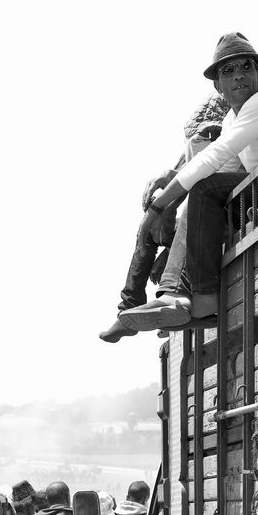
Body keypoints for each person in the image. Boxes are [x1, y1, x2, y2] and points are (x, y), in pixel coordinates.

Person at [111, 33, 258, 333]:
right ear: (218, 85)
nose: (238, 75)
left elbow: (213, 159)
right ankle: (148, 304)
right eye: (228, 70)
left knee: (203, 191)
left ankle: (190, 300)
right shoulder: (231, 120)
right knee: (194, 201)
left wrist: (160, 206)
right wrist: (168, 198)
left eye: (246, 67)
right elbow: (217, 168)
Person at [99, 93, 230, 343]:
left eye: (209, 134)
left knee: (178, 215)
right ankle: (128, 308)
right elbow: (184, 178)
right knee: (149, 229)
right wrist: (159, 209)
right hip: (195, 217)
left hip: (219, 214)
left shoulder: (231, 142)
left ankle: (171, 303)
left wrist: (166, 213)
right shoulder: (196, 145)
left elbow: (202, 181)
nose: (203, 139)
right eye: (199, 135)